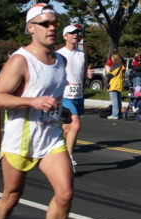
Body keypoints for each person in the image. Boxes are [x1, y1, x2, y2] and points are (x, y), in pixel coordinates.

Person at [0, 3, 73, 219]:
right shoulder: (20, 60)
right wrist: (32, 101)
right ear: (31, 28)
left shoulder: (61, 61)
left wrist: (60, 109)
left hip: (51, 138)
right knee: (11, 196)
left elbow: (51, 95)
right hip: (21, 139)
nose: (52, 28)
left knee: (65, 194)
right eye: (45, 24)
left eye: (54, 23)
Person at [57, 24, 91, 175]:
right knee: (76, 125)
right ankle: (69, 160)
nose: (75, 35)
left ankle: (60, 154)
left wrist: (88, 74)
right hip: (64, 95)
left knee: (67, 129)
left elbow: (83, 72)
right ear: (65, 36)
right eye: (71, 33)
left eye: (77, 33)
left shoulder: (81, 54)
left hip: (78, 95)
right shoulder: (59, 54)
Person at [105, 53, 125, 119]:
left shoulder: (116, 66)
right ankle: (119, 114)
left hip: (114, 84)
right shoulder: (120, 65)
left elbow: (110, 75)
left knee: (114, 100)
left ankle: (115, 114)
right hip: (118, 84)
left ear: (115, 58)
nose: (111, 59)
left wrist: (107, 70)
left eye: (112, 57)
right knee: (118, 100)